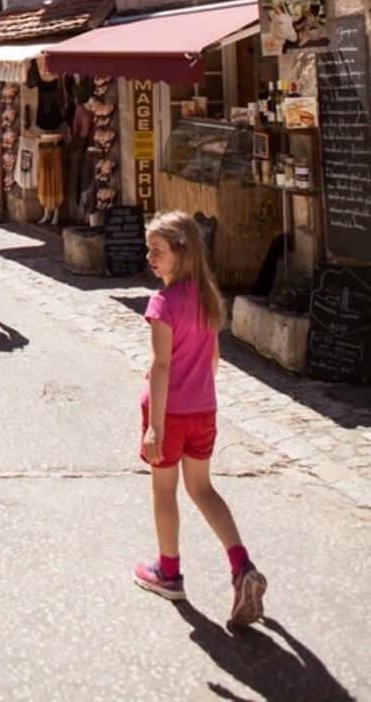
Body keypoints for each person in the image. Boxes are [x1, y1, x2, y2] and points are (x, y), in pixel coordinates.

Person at [135, 209, 267, 626]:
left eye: (157, 251)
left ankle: (168, 572)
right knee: (203, 488)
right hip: (203, 411)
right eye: (148, 250)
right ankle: (241, 565)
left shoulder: (163, 303)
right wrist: (200, 392)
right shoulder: (208, 297)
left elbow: (160, 366)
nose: (150, 258)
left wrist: (155, 425)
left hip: (169, 413)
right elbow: (213, 359)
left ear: (180, 252)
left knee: (164, 490)